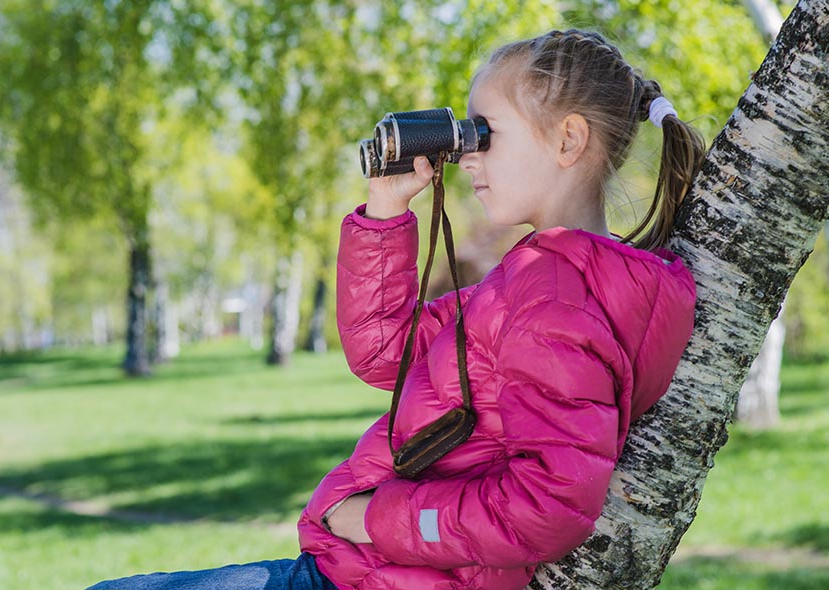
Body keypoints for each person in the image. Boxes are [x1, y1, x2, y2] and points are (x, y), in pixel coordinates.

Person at [87, 28, 702, 590]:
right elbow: (388, 352)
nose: (466, 155)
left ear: (568, 139)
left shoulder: (555, 302)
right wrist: (385, 211)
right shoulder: (536, 284)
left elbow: (546, 507)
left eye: (485, 134)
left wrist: (371, 518)